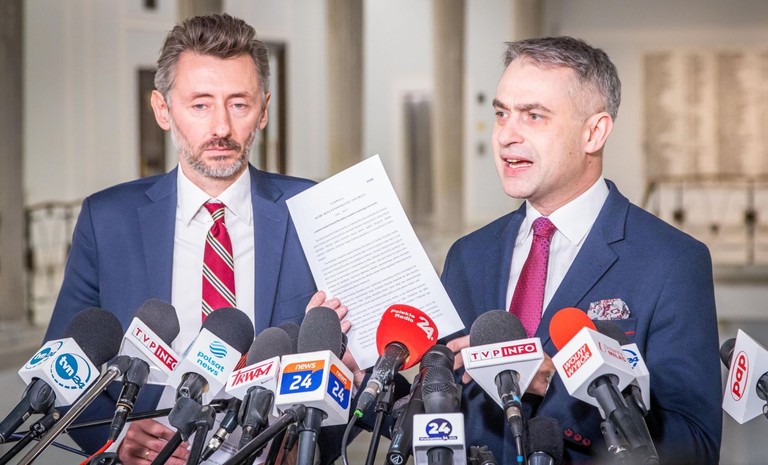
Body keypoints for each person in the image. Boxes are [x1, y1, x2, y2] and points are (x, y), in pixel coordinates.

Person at [43, 14, 360, 465]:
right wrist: (113, 437)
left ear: (264, 109)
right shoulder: (107, 219)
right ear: (162, 109)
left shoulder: (314, 209)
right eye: (200, 105)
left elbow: (364, 375)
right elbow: (60, 365)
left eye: (239, 104)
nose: (221, 128)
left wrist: (302, 445)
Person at [442, 36, 721, 464]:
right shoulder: (468, 255)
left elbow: (694, 448)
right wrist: (359, 386)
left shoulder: (672, 262)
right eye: (501, 114)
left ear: (594, 132)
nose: (506, 136)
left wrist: (555, 385)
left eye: (533, 115)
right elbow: (441, 414)